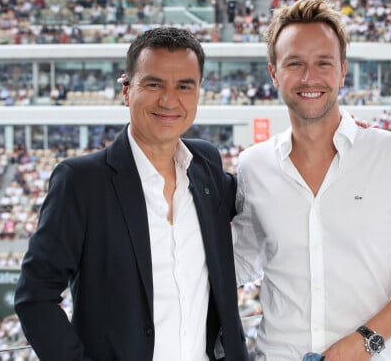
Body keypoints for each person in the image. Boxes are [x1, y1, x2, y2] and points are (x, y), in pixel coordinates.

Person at [232, 0, 391, 360]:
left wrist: (366, 340)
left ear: (342, 70)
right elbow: (240, 260)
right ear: (274, 73)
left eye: (323, 63)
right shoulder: (252, 166)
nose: (309, 78)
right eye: (295, 64)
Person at [14, 27, 248, 361]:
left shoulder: (207, 165)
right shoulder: (81, 181)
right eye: (153, 84)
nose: (169, 100)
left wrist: (343, 134)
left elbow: (266, 195)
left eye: (184, 86)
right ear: (127, 90)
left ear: (198, 93)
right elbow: (35, 296)